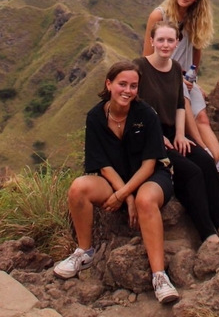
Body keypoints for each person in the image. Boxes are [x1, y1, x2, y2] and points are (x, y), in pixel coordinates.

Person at [54, 61, 180, 304]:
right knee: (79, 187)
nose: (127, 90)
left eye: (133, 86)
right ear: (109, 84)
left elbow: (149, 165)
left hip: (151, 178)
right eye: (122, 84)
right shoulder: (95, 117)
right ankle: (84, 252)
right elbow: (103, 165)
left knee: (145, 200)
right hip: (115, 180)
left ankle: (159, 276)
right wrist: (125, 196)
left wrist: (125, 195)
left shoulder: (146, 114)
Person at [137, 21, 219, 245]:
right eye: (160, 39)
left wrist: (181, 134)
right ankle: (208, 234)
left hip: (173, 132)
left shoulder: (173, 69)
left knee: (205, 160)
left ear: (177, 42)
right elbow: (134, 107)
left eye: (170, 40)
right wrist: (154, 135)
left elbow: (181, 104)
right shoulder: (140, 68)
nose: (165, 44)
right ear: (151, 41)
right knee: (190, 171)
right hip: (149, 137)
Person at [142, 0, 219, 176]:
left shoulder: (194, 18)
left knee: (203, 117)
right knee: (185, 103)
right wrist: (175, 77)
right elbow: (146, 55)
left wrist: (192, 77)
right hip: (164, 76)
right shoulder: (159, 15)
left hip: (185, 80)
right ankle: (206, 154)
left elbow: (197, 49)